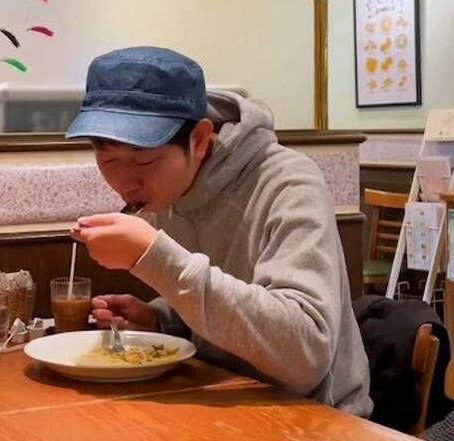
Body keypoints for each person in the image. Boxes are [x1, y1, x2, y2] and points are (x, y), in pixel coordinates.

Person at [67, 47, 372, 415]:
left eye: (144, 160)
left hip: (317, 421)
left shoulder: (289, 184)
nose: (126, 182)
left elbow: (305, 355)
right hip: (221, 401)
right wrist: (162, 319)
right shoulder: (165, 192)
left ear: (198, 140)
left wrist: (159, 260)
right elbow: (228, 305)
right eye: (109, 159)